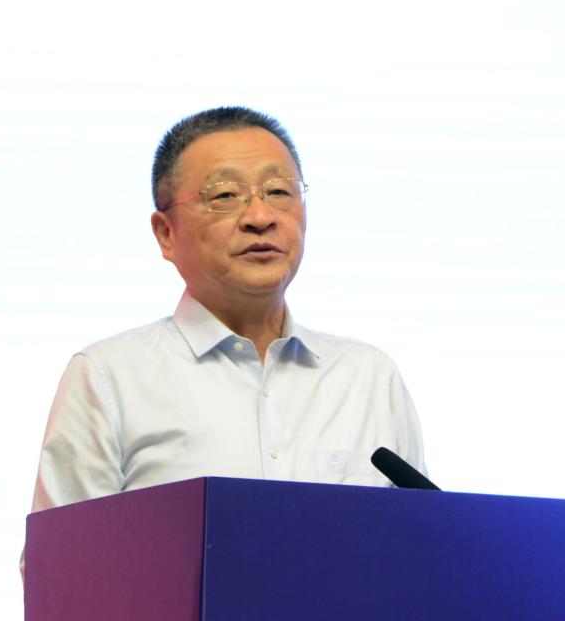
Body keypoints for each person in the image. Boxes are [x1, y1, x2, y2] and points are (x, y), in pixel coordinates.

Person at [30, 106, 426, 515]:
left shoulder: (368, 377)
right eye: (224, 196)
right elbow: (65, 552)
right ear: (166, 233)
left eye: (278, 192)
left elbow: (423, 540)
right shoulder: (108, 377)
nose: (260, 217)